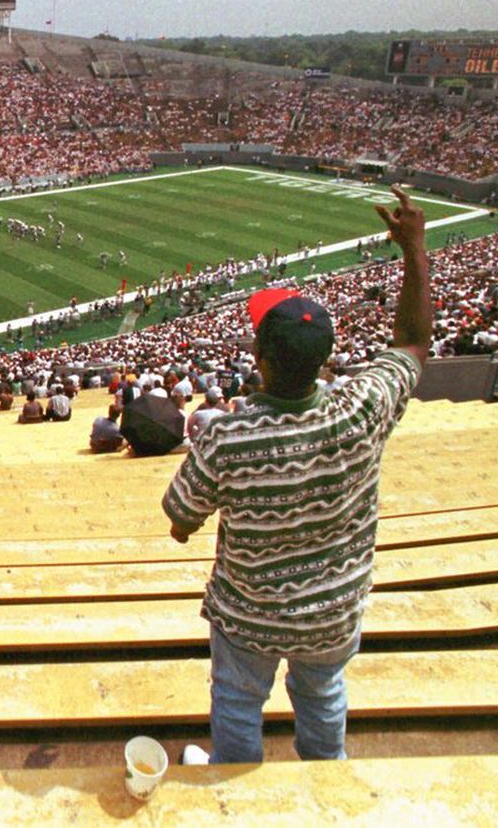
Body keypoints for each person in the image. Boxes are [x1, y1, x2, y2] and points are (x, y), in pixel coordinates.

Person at [166, 187, 429, 767]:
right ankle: (324, 782)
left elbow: (179, 514)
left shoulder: (227, 437)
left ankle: (236, 786)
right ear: (326, 359)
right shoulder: (363, 408)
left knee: (237, 701)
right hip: (334, 610)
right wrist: (415, 250)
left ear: (258, 356)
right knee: (324, 693)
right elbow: (412, 343)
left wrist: (186, 528)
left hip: (248, 613)